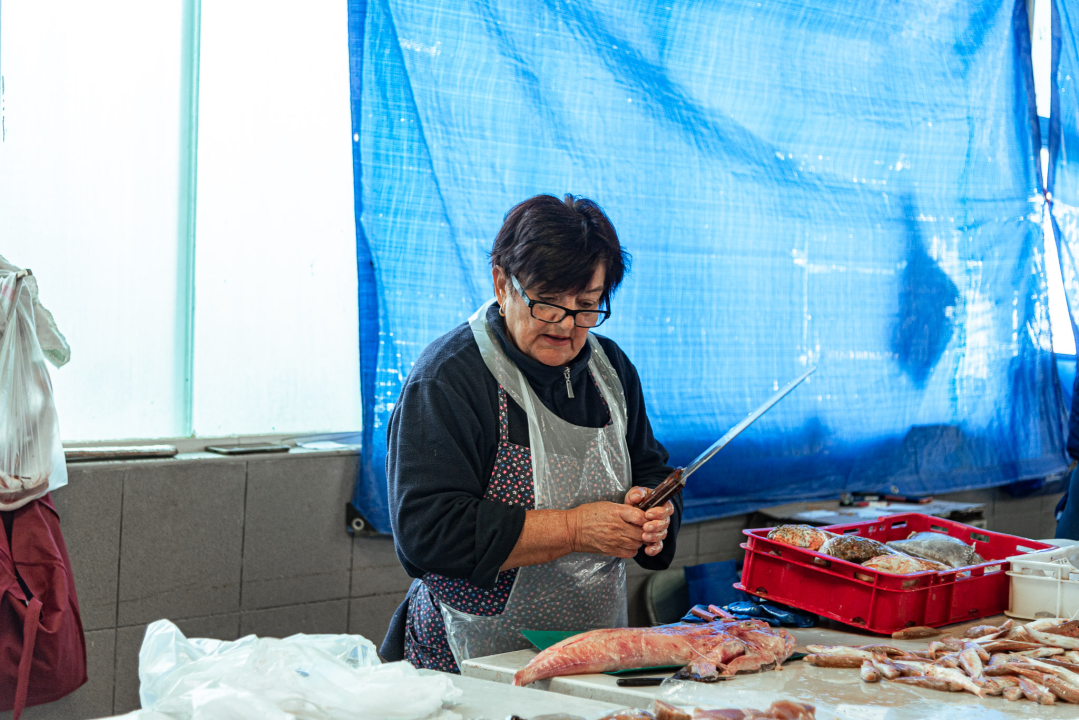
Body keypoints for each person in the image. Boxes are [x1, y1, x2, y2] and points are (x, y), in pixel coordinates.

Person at [379, 194, 683, 671]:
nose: (566, 325)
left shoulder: (611, 371)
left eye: (586, 306)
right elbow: (427, 531)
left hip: (592, 648)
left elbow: (651, 468)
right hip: (471, 653)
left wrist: (655, 515)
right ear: (503, 284)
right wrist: (575, 528)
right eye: (548, 304)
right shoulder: (450, 378)